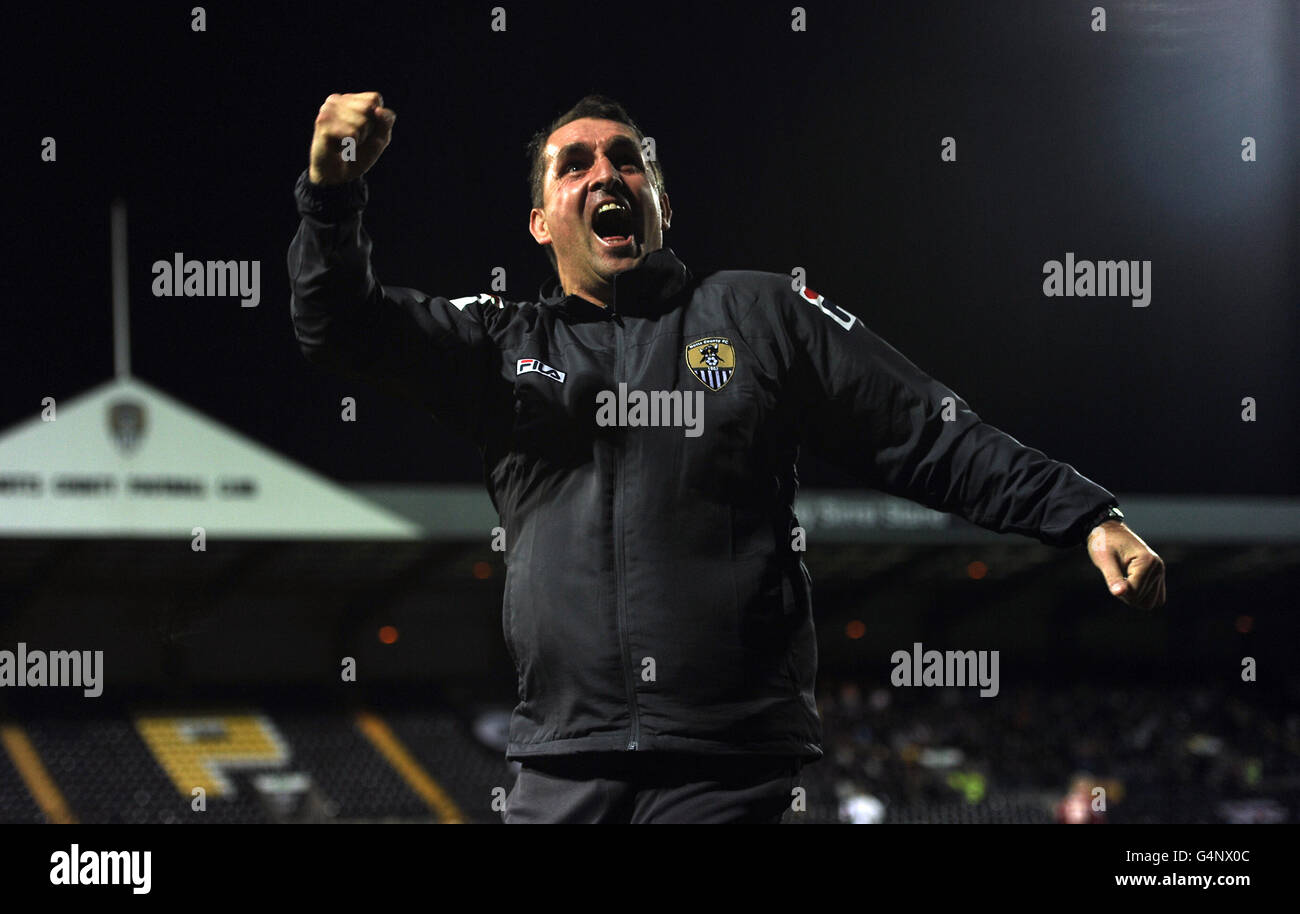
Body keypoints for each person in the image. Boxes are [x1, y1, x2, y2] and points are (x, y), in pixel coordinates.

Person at [288, 92, 1166, 823]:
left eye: (627, 160)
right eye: (576, 164)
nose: (606, 175)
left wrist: (1080, 512)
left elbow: (922, 426)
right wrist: (332, 194)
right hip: (558, 766)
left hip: (727, 767)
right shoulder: (501, 342)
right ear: (538, 221)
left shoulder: (756, 314)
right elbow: (341, 328)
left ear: (662, 202)